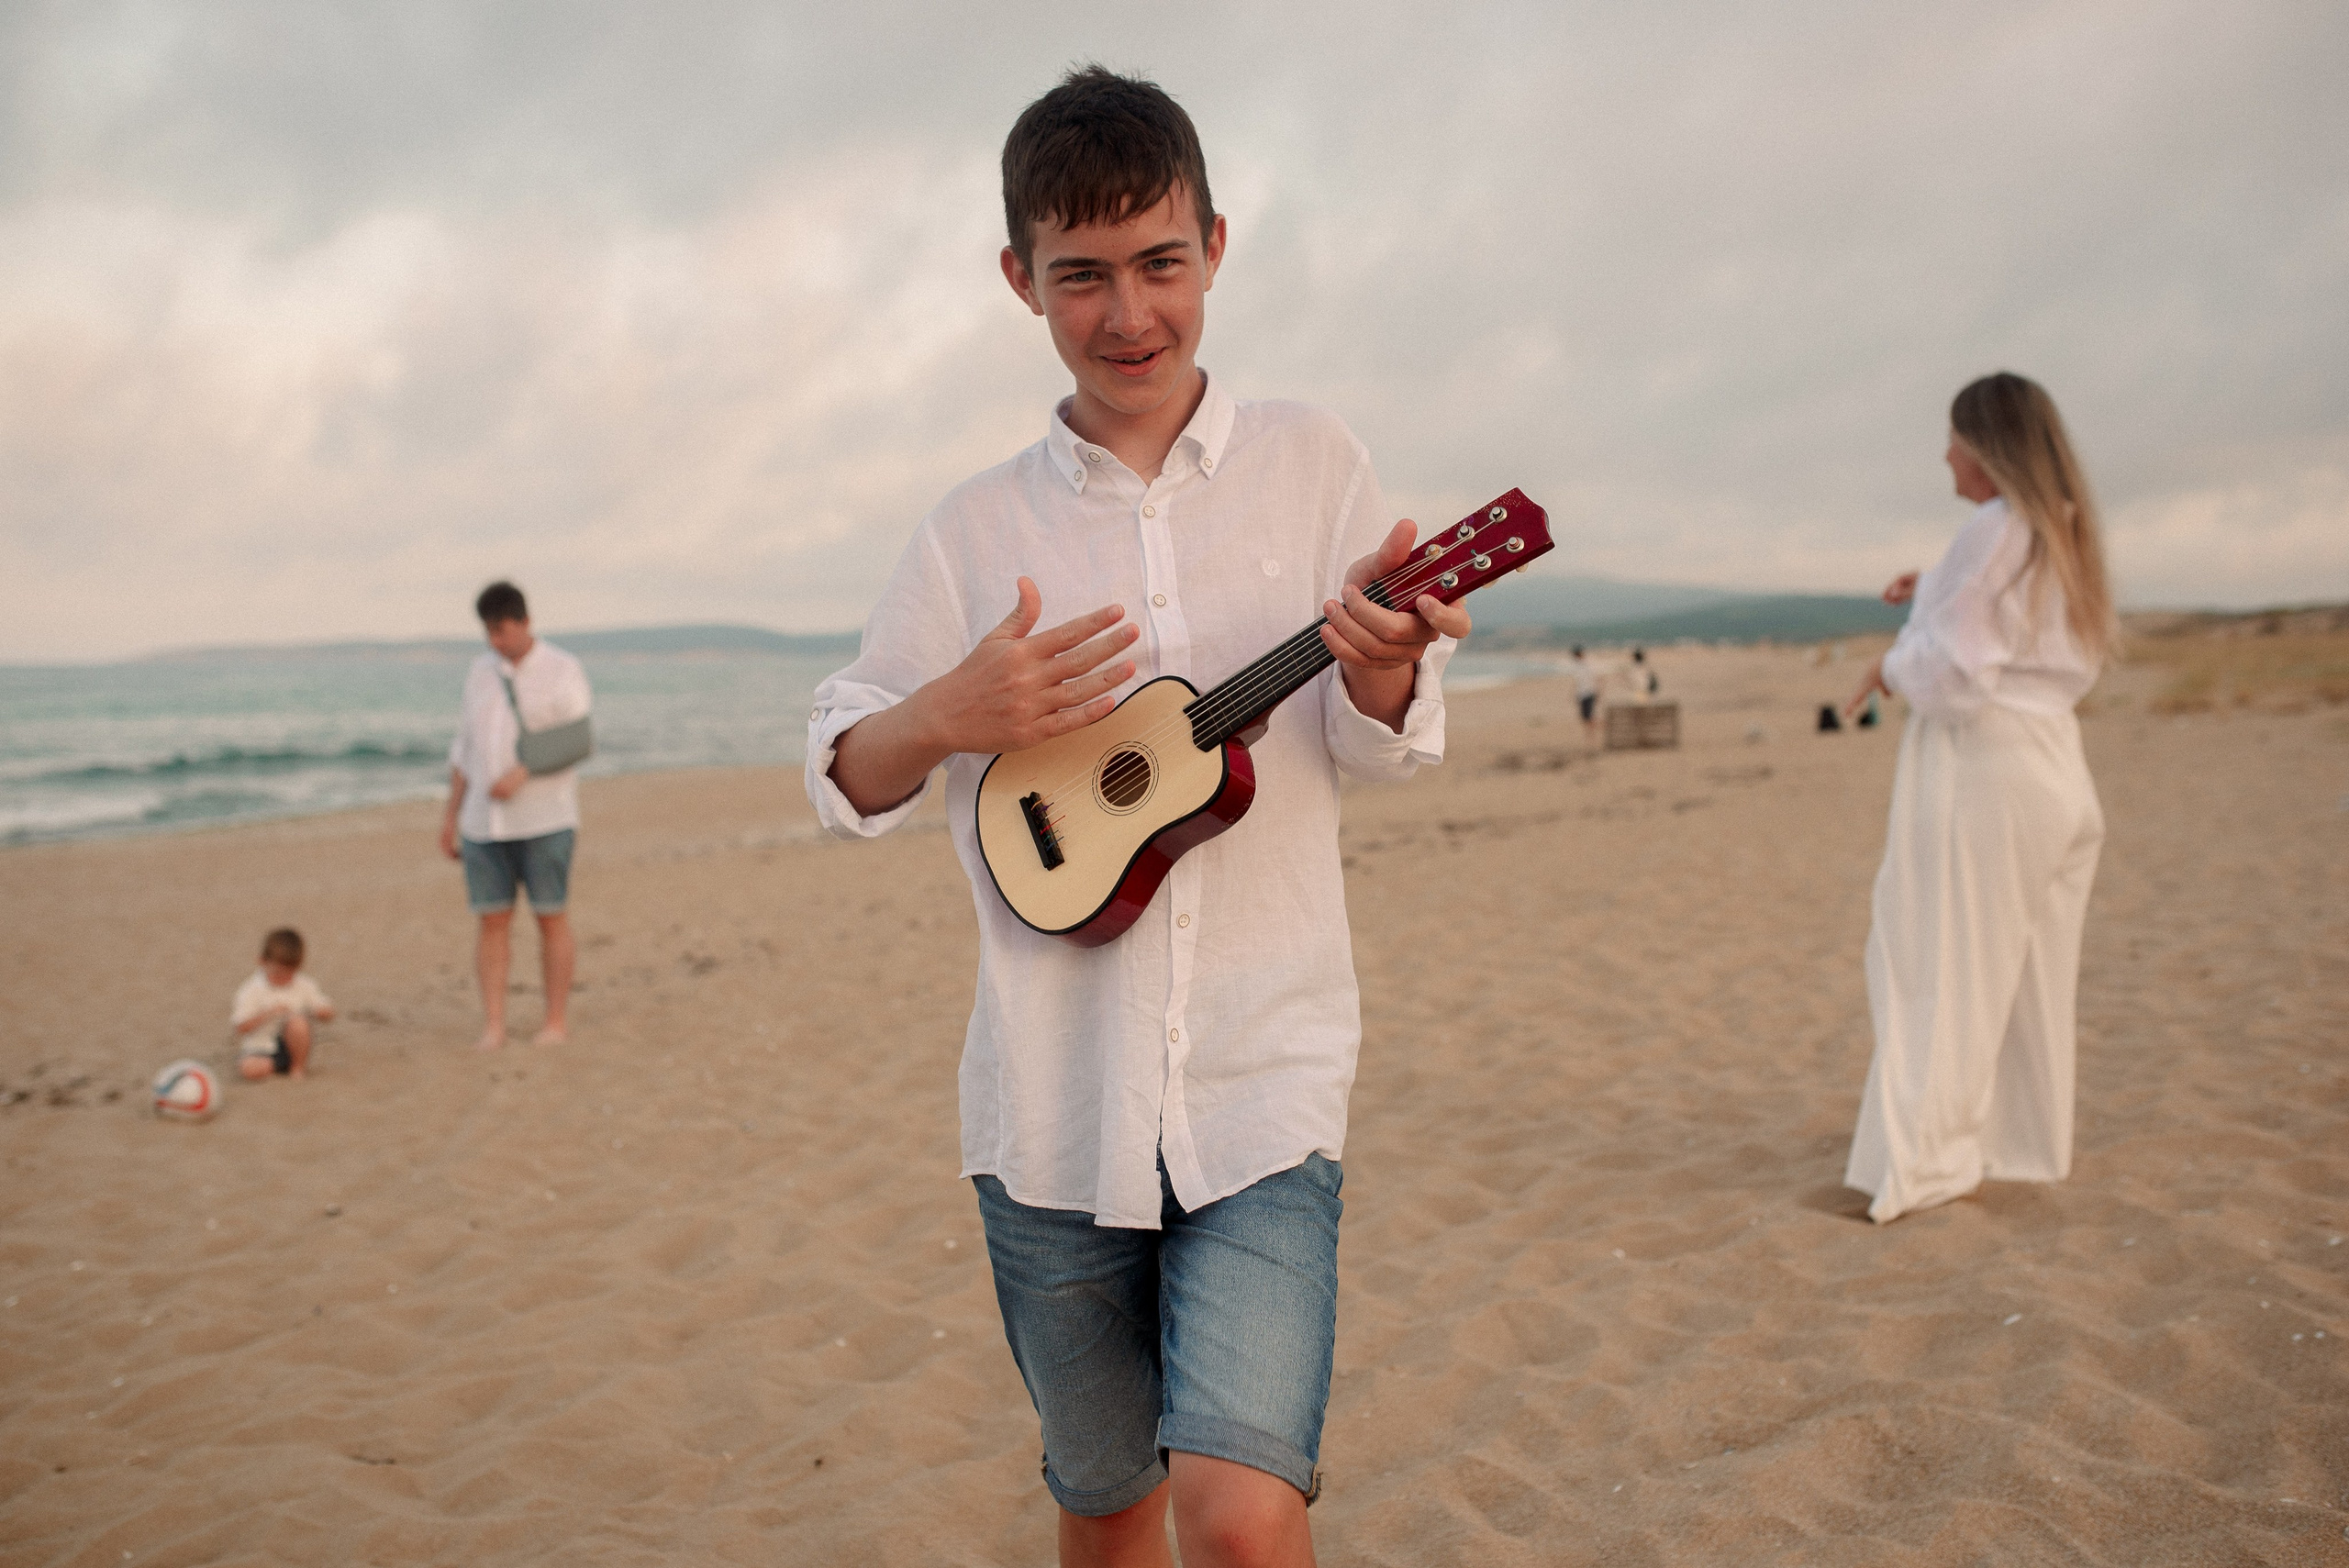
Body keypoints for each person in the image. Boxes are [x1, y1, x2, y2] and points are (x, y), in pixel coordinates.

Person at [805, 66, 1467, 1568]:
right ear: (1017, 276)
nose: (1127, 313)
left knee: (1239, 1519)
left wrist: (1388, 669)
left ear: (1217, 246)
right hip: (1052, 1109)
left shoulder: (1315, 467)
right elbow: (844, 773)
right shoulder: (974, 530)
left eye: (1161, 263)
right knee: (1107, 1510)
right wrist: (943, 714)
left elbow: (1382, 748)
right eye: (1080, 275)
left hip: (1265, 1085)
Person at [1841, 372, 2111, 1223]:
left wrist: (1887, 666)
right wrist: (1934, 586)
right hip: (2055, 763)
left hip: (1985, 764)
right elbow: (2016, 627)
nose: (1946, 455)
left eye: (1957, 438)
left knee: (1940, 959)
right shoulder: (2061, 530)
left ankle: (1927, 1161)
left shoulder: (1993, 529)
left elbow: (1959, 677)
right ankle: (2016, 1140)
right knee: (2028, 964)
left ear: (1989, 450)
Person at [439, 581, 591, 1051]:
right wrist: (451, 816)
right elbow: (464, 748)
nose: (494, 641)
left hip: (546, 819)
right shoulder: (479, 671)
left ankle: (555, 1021)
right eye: (488, 631)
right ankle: (495, 1025)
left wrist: (523, 772)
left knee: (551, 917)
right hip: (483, 824)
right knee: (491, 921)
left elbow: (577, 740)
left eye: (501, 630)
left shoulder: (563, 669)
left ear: (524, 622)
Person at [229, 928, 335, 1081]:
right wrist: (268, 1014)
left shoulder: (303, 985)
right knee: (248, 1069)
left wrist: (320, 1012)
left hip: (291, 1046)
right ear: (262, 962)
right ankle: (276, 1066)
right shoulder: (251, 990)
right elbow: (240, 1027)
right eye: (278, 973)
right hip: (260, 1047)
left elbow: (327, 1011)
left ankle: (297, 1068)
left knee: (298, 1023)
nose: (284, 978)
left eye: (290, 974)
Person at [1567, 644, 1599, 743]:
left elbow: (1579, 681)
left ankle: (1591, 736)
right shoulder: (1583, 665)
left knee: (1588, 717)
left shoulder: (1585, 665)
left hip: (1588, 693)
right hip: (1585, 693)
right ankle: (1590, 735)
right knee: (1586, 717)